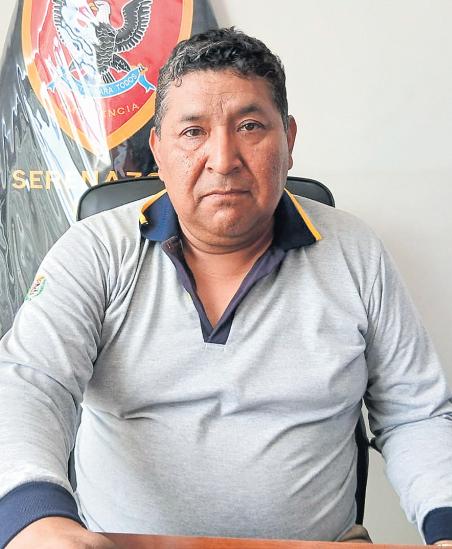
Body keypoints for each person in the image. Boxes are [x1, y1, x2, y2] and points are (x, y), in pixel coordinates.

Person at [0, 27, 452, 549]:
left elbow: (417, 413)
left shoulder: (355, 252)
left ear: (289, 140)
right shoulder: (95, 250)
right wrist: (35, 519)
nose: (223, 158)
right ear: (158, 149)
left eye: (250, 126)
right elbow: (30, 383)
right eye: (193, 131)